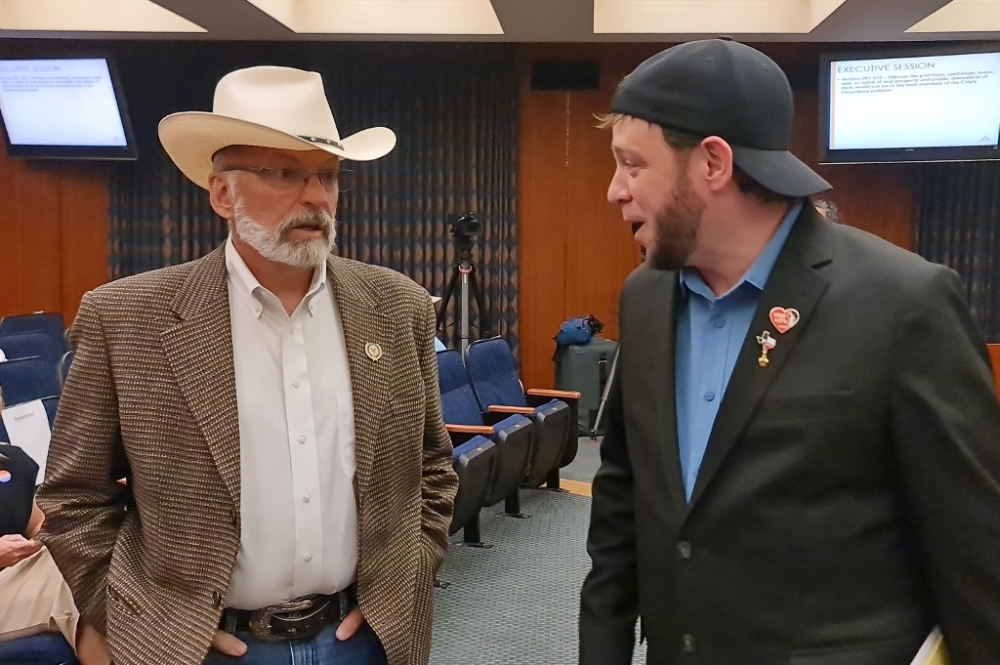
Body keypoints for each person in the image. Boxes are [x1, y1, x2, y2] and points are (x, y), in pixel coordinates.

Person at [580, 38, 1000, 664]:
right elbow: (620, 503)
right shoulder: (644, 298)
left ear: (714, 164)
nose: (615, 190)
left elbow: (974, 549)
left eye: (633, 165)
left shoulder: (904, 302)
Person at [37, 65, 458, 665]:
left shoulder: (398, 307)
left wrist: (406, 576)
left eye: (328, 176)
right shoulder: (127, 319)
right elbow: (73, 498)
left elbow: (432, 469)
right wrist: (143, 619)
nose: (316, 197)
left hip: (364, 638)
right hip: (198, 647)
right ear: (221, 194)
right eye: (284, 174)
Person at [0, 387, 110, 664]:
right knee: (75, 580)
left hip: (18, 579)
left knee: (96, 545)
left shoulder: (14, 460)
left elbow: (38, 526)